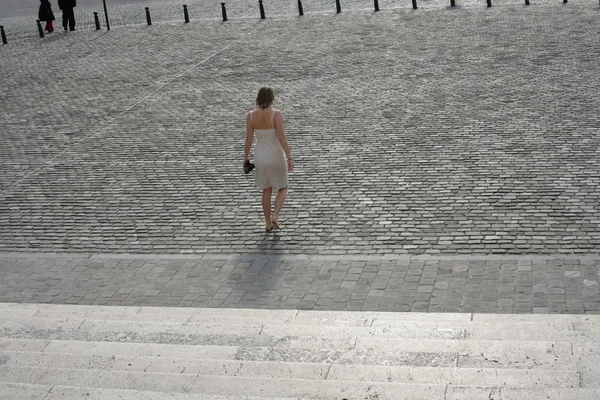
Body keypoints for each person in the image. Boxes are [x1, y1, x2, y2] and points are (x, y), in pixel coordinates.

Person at [244, 87, 294, 232]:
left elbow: (248, 139)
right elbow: (282, 138)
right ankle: (275, 216)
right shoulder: (276, 115)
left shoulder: (250, 116)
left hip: (260, 155)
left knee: (266, 190)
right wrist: (290, 157)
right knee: (283, 186)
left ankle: (267, 223)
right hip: (275, 155)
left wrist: (246, 157)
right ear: (272, 99)